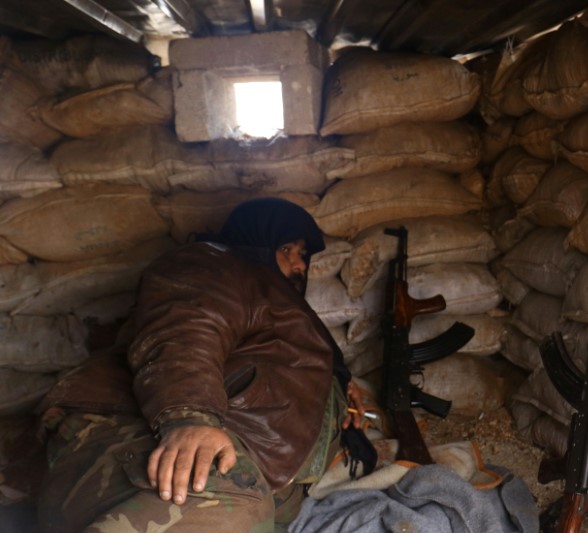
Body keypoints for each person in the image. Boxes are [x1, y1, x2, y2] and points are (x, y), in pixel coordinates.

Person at [36, 198, 373, 532]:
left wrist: (337, 389)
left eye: (303, 254)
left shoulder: (285, 310)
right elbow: (189, 326)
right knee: (231, 509)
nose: (299, 265)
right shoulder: (217, 264)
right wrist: (189, 416)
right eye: (287, 248)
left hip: (250, 471)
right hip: (151, 433)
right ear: (256, 239)